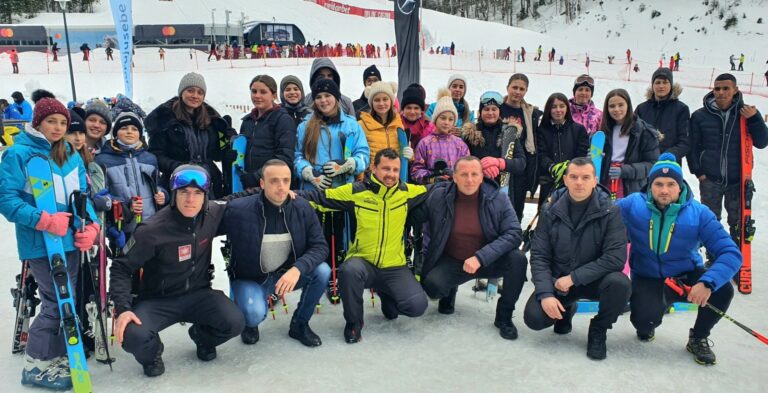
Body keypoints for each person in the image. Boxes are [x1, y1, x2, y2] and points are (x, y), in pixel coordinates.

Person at [0, 97, 99, 390]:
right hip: (40, 243)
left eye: (62, 122)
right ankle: (35, 364)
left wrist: (90, 226)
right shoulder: (18, 155)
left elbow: (82, 195)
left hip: (68, 242)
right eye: (50, 121)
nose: (57, 128)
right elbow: (7, 200)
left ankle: (55, 356)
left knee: (68, 301)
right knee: (55, 303)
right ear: (37, 122)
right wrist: (42, 219)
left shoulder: (69, 152)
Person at [111, 165, 245, 377]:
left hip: (198, 294)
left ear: (205, 197)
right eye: (184, 192)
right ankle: (153, 352)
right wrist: (123, 308)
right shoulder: (151, 230)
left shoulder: (212, 212)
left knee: (234, 322)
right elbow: (121, 267)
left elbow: (240, 197)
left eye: (197, 193)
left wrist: (282, 192)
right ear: (174, 195)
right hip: (158, 300)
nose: (190, 200)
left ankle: (202, 337)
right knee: (133, 335)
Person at [616, 153, 741, 364]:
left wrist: (707, 283)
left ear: (680, 185)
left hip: (685, 277)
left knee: (723, 289)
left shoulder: (699, 213)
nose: (664, 190)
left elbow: (731, 252)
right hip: (647, 277)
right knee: (643, 325)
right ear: (650, 185)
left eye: (671, 184)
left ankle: (699, 337)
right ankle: (653, 312)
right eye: (658, 184)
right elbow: (599, 212)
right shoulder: (632, 205)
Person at [299, 148, 429, 343]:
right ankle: (354, 323)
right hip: (363, 262)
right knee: (349, 270)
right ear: (373, 168)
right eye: (386, 168)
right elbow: (320, 198)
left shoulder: (407, 192)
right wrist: (286, 194)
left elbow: (435, 191)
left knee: (416, 306)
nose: (391, 175)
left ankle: (387, 295)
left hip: (394, 265)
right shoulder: (356, 191)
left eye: (395, 170)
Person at [524, 158, 630, 360]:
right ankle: (567, 308)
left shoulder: (610, 211)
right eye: (573, 177)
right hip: (559, 281)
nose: (579, 182)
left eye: (585, 177)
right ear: (565, 180)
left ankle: (599, 329)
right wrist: (546, 294)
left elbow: (615, 258)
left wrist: (573, 278)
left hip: (593, 280)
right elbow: (539, 255)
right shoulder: (550, 210)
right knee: (534, 319)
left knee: (620, 284)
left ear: (594, 180)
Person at [412, 156, 528, 339]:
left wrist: (481, 257)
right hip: (452, 260)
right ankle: (449, 292)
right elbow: (411, 212)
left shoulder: (497, 198)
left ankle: (504, 316)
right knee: (432, 287)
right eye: (464, 174)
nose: (469, 179)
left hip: (488, 260)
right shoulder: (439, 196)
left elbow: (514, 233)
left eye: (475, 174)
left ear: (482, 177)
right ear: (454, 177)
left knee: (518, 260)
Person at [222, 160, 330, 347]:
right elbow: (207, 211)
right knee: (253, 313)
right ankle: (250, 324)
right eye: (274, 181)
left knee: (322, 271)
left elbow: (320, 246)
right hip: (251, 278)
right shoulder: (238, 210)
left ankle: (300, 324)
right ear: (262, 184)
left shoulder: (302, 208)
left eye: (286, 180)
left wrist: (297, 269)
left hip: (285, 274)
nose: (281, 186)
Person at [295, 78, 370, 303]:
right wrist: (309, 174)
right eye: (318, 97)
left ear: (336, 98)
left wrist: (347, 165)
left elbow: (363, 155)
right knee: (318, 237)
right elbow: (297, 156)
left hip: (343, 189)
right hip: (316, 191)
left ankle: (341, 275)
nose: (323, 100)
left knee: (343, 235)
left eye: (327, 96)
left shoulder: (351, 125)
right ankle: (320, 276)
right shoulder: (305, 125)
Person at [687, 73, 768, 242]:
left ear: (735, 90)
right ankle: (713, 258)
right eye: (717, 88)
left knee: (737, 223)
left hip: (737, 181)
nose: (721, 92)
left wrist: (754, 119)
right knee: (710, 222)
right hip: (710, 180)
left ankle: (737, 259)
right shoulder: (699, 116)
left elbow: (762, 142)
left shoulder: (747, 113)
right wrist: (699, 172)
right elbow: (692, 147)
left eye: (726, 88)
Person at [145, 72, 236, 198]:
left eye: (200, 92)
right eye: (190, 90)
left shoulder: (211, 120)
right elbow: (156, 154)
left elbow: (215, 154)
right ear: (181, 92)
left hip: (208, 182)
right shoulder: (165, 120)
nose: (195, 96)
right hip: (179, 182)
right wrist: (178, 167)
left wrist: (226, 153)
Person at [95, 111, 167, 248]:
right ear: (116, 133)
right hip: (123, 228)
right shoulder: (103, 160)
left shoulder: (149, 158)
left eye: (134, 129)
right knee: (125, 266)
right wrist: (126, 206)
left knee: (151, 266)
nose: (129, 132)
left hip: (151, 225)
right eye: (124, 128)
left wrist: (163, 195)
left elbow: (157, 185)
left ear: (140, 133)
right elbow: (102, 196)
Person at [462, 91, 526, 210]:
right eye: (486, 109)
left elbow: (521, 163)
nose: (490, 113)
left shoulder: (509, 133)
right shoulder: (470, 134)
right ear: (480, 112)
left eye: (494, 109)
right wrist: (481, 167)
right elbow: (462, 162)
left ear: (499, 112)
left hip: (503, 192)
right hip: (476, 191)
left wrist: (499, 162)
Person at [236, 75, 296, 189]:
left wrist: (257, 176)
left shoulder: (282, 120)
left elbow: (284, 157)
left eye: (263, 92)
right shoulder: (248, 121)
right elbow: (243, 152)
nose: (257, 96)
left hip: (272, 185)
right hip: (249, 184)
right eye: (254, 91)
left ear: (273, 95)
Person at [599, 89, 660, 198]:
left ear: (628, 105)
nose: (616, 109)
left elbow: (652, 164)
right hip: (606, 182)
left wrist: (624, 170)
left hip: (631, 187)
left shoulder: (644, 132)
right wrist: (594, 158)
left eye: (620, 105)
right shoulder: (604, 131)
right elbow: (599, 160)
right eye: (612, 106)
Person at [500, 74, 542, 221]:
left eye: (521, 89)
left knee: (517, 206)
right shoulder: (496, 108)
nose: (517, 92)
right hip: (500, 164)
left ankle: (514, 236)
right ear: (507, 88)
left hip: (520, 166)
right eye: (514, 87)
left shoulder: (530, 112)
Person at [536, 92, 589, 209]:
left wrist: (569, 168)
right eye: (554, 107)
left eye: (562, 106)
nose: (558, 110)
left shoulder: (578, 129)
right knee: (546, 214)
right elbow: (541, 154)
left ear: (567, 108)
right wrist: (552, 167)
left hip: (573, 182)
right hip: (549, 181)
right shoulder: (542, 130)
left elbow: (582, 154)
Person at [635, 68, 690, 165]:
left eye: (665, 82)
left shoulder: (681, 109)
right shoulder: (641, 109)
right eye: (657, 82)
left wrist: (670, 154)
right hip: (644, 164)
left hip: (669, 164)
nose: (661, 86)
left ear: (671, 85)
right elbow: (634, 136)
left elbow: (685, 142)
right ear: (652, 85)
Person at [411, 96, 469, 184]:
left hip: (455, 191)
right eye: (443, 118)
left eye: (450, 119)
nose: (446, 122)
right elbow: (416, 171)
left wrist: (455, 175)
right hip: (432, 192)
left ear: (454, 122)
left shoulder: (460, 145)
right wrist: (432, 177)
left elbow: (468, 169)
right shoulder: (425, 143)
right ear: (435, 119)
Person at [358, 81, 413, 172]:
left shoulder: (398, 124)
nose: (381, 103)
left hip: (394, 177)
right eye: (377, 100)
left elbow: (404, 152)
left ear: (391, 101)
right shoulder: (362, 125)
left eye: (385, 99)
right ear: (371, 103)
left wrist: (409, 155)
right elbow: (359, 154)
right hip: (372, 178)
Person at [399, 83, 434, 150]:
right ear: (403, 109)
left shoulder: (430, 127)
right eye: (408, 108)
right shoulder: (396, 124)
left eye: (416, 108)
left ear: (421, 110)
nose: (412, 112)